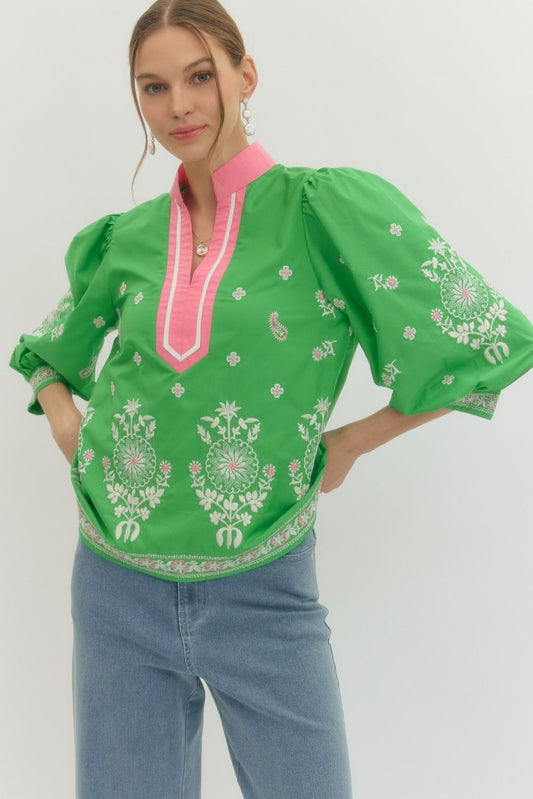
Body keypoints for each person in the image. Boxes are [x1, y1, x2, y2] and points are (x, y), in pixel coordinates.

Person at [8, 1, 533, 797]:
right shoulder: (129, 237)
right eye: (152, 87)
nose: (177, 105)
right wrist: (68, 422)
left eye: (198, 76)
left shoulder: (324, 211)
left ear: (244, 76)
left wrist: (353, 439)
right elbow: (51, 349)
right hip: (114, 582)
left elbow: (485, 339)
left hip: (264, 586)